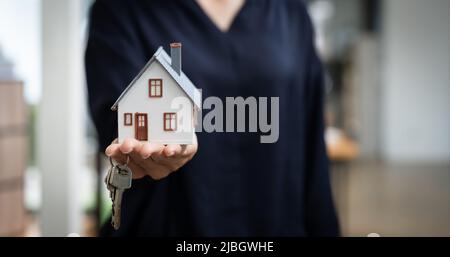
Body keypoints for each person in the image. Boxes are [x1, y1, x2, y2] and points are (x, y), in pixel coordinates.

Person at [85, 0, 339, 236]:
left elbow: (313, 152)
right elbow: (117, 120)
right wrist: (141, 149)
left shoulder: (290, 14)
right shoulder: (120, 9)